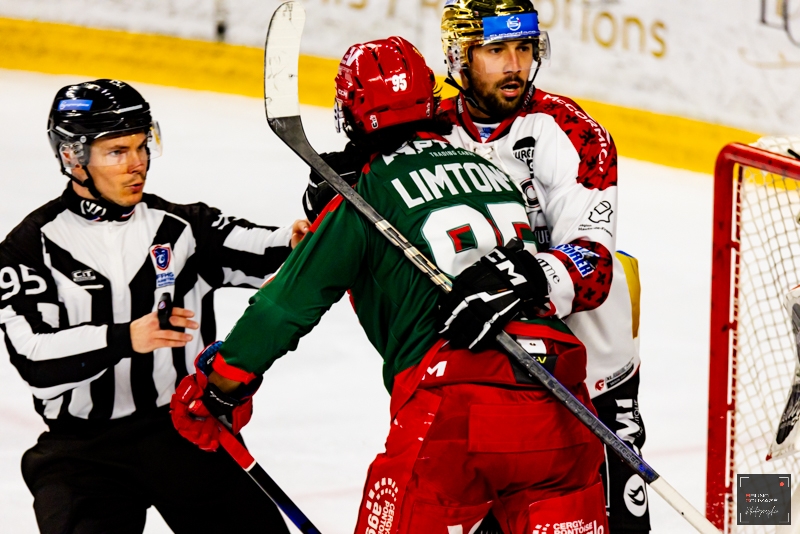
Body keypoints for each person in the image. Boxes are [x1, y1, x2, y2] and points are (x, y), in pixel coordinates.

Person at [172, 36, 608, 534]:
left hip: (455, 409)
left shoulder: (366, 193)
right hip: (561, 402)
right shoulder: (496, 174)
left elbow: (284, 307)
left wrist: (220, 387)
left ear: (351, 116)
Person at [302, 2, 649, 532]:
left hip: (590, 376)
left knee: (620, 522)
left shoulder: (574, 135)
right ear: (458, 57)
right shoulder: (425, 130)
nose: (514, 64)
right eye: (494, 50)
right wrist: (339, 191)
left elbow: (596, 265)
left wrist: (523, 277)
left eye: (524, 47)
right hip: (480, 376)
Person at [0, 79, 305, 533]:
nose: (137, 164)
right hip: (82, 454)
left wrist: (301, 242)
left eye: (143, 146)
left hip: (185, 431)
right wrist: (127, 337)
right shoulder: (29, 248)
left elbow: (270, 249)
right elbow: (32, 358)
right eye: (117, 151)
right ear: (72, 157)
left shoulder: (185, 228)